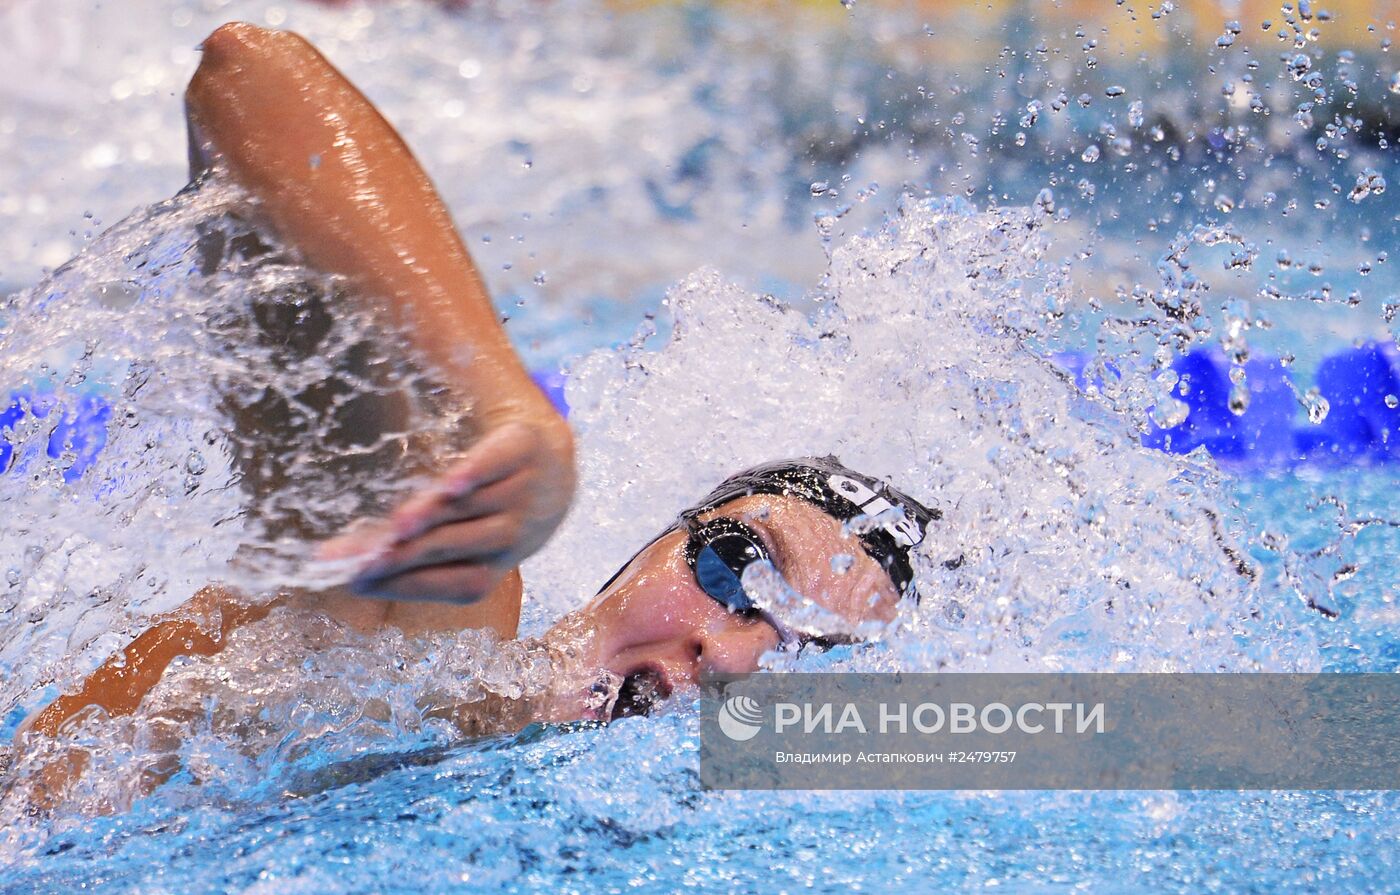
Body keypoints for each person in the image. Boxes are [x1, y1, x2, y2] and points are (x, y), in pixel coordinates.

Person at [16, 24, 938, 764]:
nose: (733, 658)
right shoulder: (441, 631)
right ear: (659, 543)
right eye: (737, 568)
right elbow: (249, 75)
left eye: (803, 664)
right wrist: (500, 405)